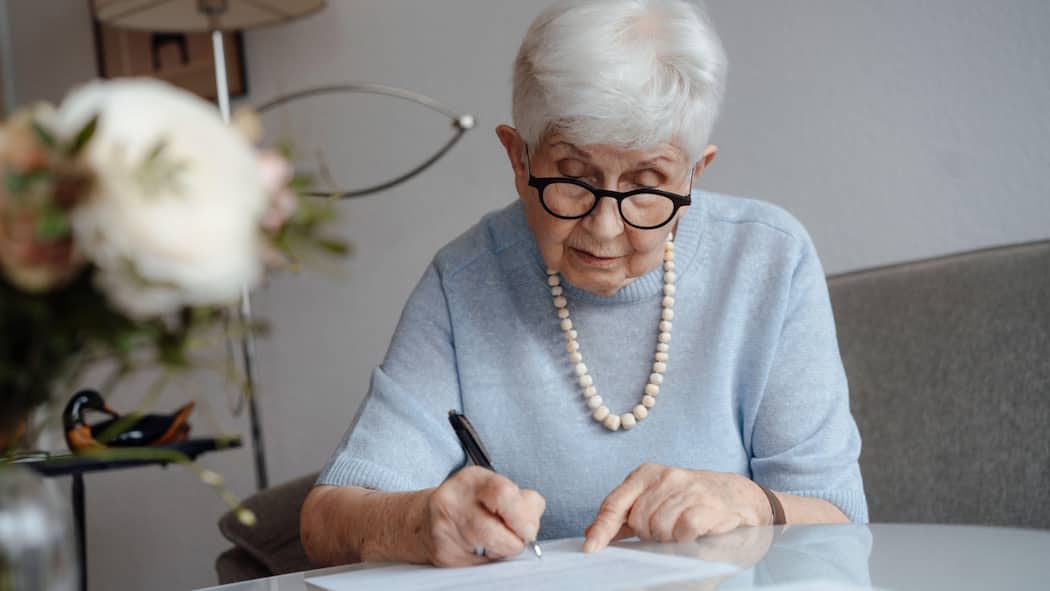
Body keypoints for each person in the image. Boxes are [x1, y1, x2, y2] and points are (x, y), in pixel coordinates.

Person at [300, 0, 867, 568]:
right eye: (573, 178)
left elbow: (842, 517)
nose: (605, 227)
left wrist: (751, 502)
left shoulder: (768, 260)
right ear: (519, 160)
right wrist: (420, 522)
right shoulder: (465, 282)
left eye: (646, 183)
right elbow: (324, 520)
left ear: (694, 175)